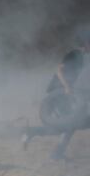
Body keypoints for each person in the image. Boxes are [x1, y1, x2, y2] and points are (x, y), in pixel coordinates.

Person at [22, 31, 90, 159]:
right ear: (87, 43)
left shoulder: (82, 58)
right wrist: (66, 87)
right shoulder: (74, 54)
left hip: (65, 94)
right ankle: (56, 152)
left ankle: (32, 133)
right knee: (69, 125)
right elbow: (58, 70)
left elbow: (75, 78)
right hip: (58, 93)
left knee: (64, 127)